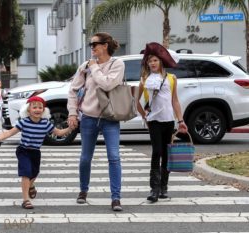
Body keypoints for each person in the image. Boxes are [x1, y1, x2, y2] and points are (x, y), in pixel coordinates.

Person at [67, 32, 125, 211]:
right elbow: (73, 90)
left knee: (114, 157)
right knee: (85, 158)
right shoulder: (85, 66)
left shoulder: (117, 64)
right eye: (90, 45)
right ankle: (83, 191)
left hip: (110, 118)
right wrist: (72, 113)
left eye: (94, 44)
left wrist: (94, 68)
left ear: (105, 45)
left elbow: (107, 84)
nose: (91, 48)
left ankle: (116, 198)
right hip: (89, 118)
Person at [0, 96, 73, 209]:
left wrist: (70, 129)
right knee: (26, 173)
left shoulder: (45, 123)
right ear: (28, 110)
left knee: (34, 173)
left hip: (36, 152)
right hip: (23, 150)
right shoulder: (24, 122)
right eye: (34, 107)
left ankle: (31, 185)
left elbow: (59, 133)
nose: (37, 109)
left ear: (43, 110)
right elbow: (9, 133)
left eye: (40, 107)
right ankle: (25, 199)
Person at [136, 42, 188, 203]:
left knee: (166, 153)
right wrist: (144, 115)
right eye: (150, 61)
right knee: (156, 151)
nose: (152, 63)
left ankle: (164, 187)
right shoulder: (144, 79)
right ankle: (154, 189)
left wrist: (181, 120)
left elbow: (175, 101)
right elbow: (136, 101)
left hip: (168, 120)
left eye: (155, 60)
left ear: (161, 62)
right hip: (154, 121)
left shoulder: (171, 79)